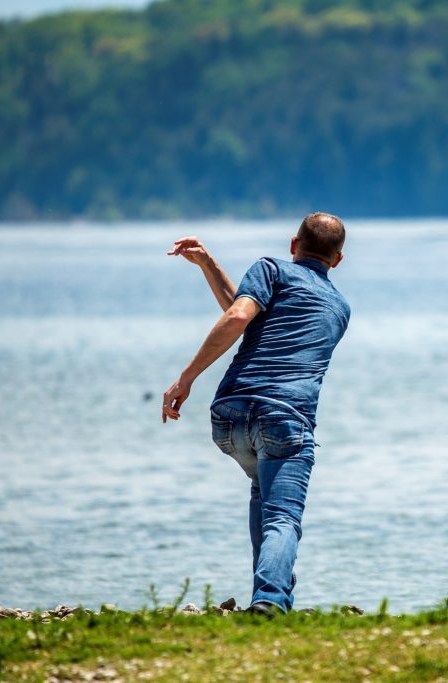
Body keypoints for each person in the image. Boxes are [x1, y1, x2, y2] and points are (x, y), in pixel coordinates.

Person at [163, 212, 350, 616]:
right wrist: (209, 266)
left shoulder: (272, 270)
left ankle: (265, 600)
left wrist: (186, 379)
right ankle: (270, 601)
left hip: (230, 417)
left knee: (263, 495)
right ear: (337, 260)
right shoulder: (339, 307)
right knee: (281, 516)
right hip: (284, 419)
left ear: (293, 245)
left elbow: (242, 315)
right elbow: (242, 315)